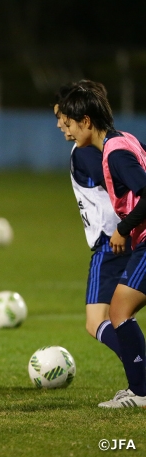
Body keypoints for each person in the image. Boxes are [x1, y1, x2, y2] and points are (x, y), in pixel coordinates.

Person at [59, 85, 146, 408]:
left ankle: (141, 390)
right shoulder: (125, 139)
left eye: (67, 122)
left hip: (128, 241)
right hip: (135, 240)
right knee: (116, 312)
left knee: (117, 312)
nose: (62, 128)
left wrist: (122, 228)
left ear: (85, 121)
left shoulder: (112, 152)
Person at [54, 80, 130, 361]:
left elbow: (118, 182)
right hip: (127, 236)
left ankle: (141, 374)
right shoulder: (121, 138)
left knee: (97, 320)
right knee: (122, 314)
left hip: (114, 242)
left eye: (62, 116)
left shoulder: (86, 151)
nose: (60, 123)